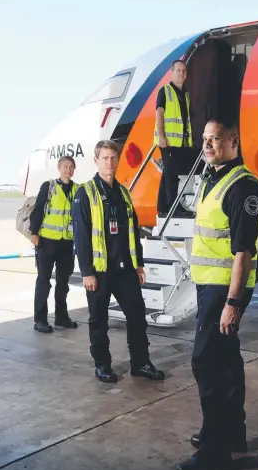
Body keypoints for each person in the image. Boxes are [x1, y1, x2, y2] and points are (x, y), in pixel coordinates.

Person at [175, 120, 258, 470]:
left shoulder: (243, 186)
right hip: (209, 285)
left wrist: (233, 303)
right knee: (226, 359)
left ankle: (215, 453)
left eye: (215, 139)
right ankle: (232, 434)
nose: (208, 144)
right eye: (205, 139)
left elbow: (243, 251)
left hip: (224, 289)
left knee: (206, 362)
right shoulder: (213, 178)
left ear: (233, 141)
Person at [72, 140, 165, 383]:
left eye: (113, 158)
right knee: (99, 320)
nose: (110, 163)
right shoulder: (86, 193)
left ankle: (141, 363)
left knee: (137, 315)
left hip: (125, 269)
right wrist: (87, 272)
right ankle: (102, 365)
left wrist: (139, 264)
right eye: (105, 158)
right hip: (99, 271)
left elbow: (133, 232)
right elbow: (81, 237)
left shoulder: (123, 192)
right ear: (96, 160)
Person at [30, 156, 79, 333]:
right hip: (47, 241)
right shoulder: (49, 186)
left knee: (63, 282)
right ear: (59, 168)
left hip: (67, 242)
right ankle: (40, 320)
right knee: (43, 281)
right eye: (65, 166)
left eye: (71, 167)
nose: (68, 170)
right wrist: (34, 234)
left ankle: (61, 317)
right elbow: (38, 209)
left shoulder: (77, 189)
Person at [154, 59, 195, 217]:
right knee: (172, 174)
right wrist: (162, 137)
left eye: (184, 71)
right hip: (168, 141)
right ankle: (172, 207)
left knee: (169, 173)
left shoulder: (185, 94)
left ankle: (162, 206)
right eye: (179, 70)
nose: (182, 73)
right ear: (172, 73)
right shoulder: (165, 91)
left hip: (181, 142)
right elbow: (159, 113)